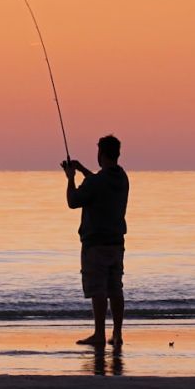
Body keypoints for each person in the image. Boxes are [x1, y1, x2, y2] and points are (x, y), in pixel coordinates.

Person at [61, 135, 129, 347]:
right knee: (115, 289)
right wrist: (82, 169)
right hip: (116, 244)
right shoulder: (121, 178)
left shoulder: (96, 182)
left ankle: (99, 334)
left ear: (102, 154)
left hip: (96, 245)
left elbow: (73, 201)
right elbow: (99, 182)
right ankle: (117, 334)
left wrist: (70, 177)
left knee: (98, 289)